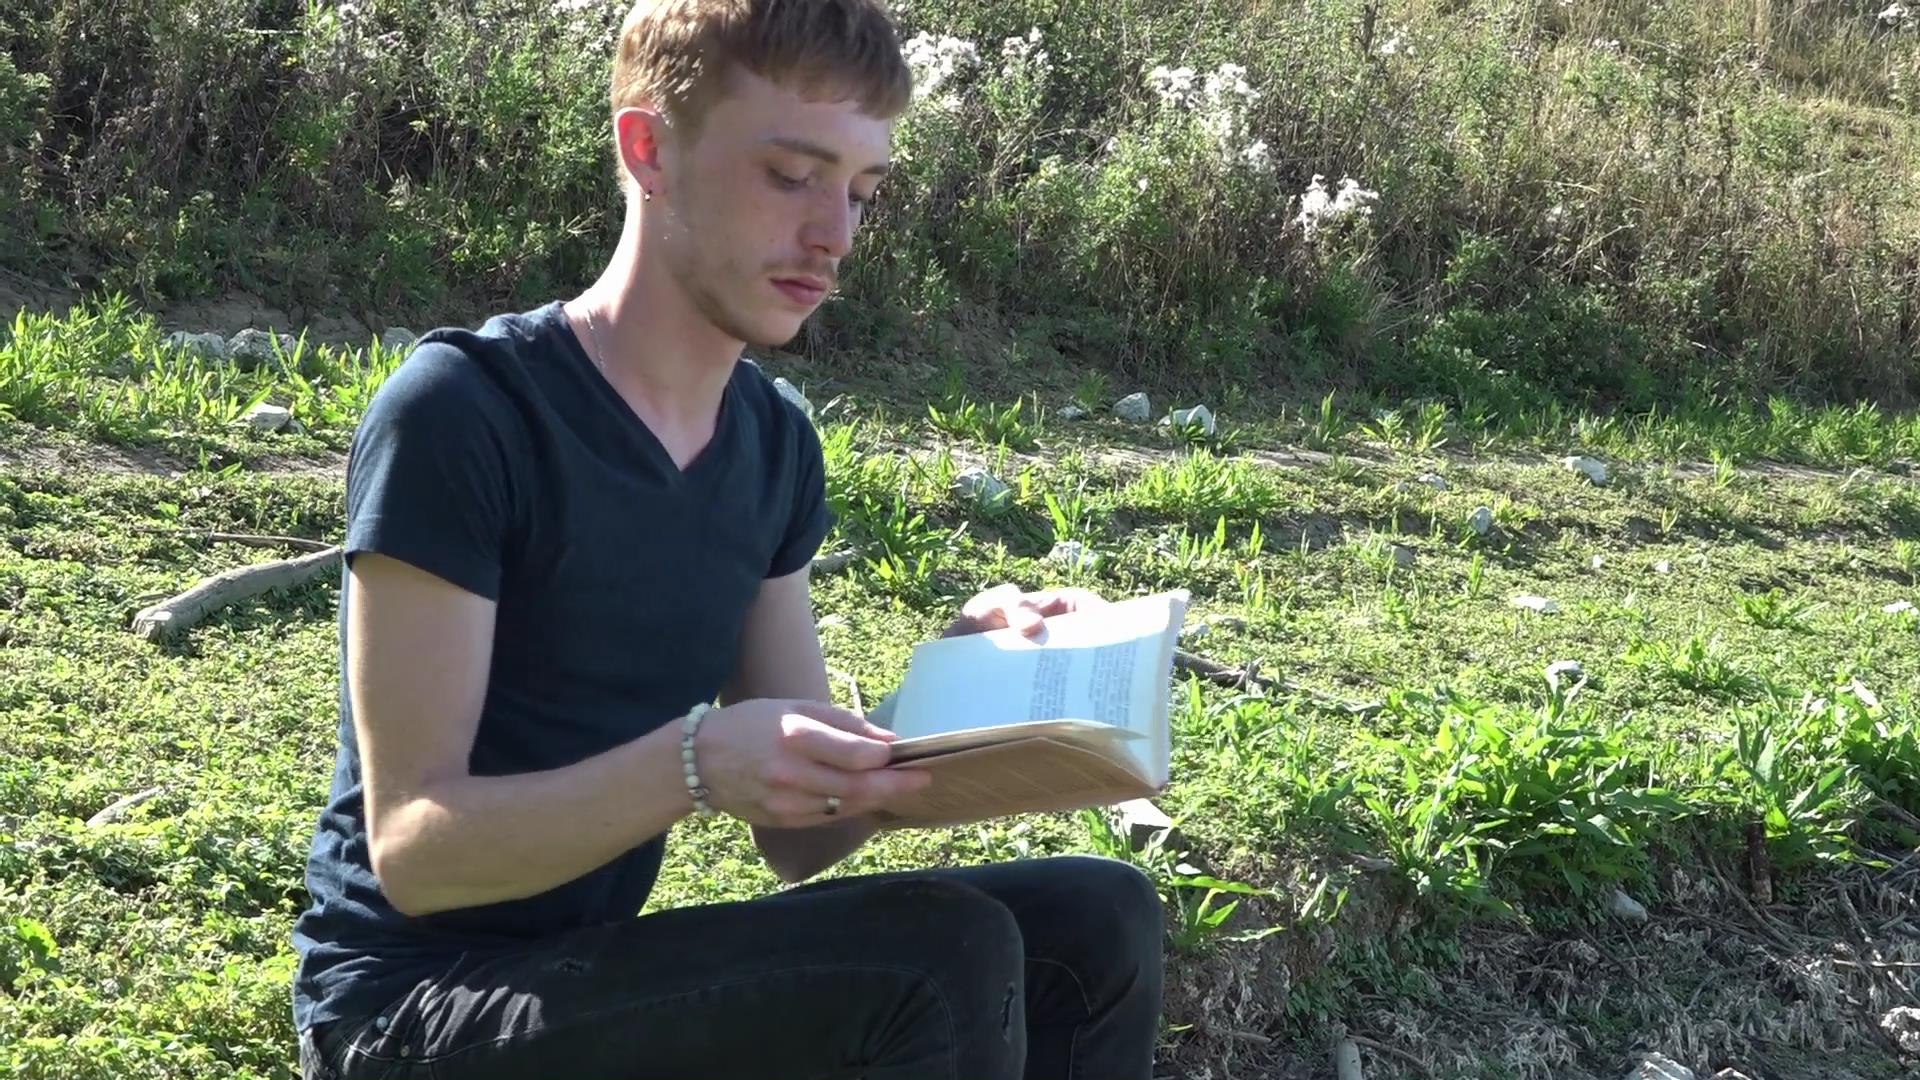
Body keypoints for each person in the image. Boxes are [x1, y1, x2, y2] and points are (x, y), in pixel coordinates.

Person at [288, 1, 1166, 1077]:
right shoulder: (467, 412)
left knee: (1097, 920)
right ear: (649, 150)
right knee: (941, 954)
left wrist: (945, 699)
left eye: (861, 191)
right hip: (409, 1011)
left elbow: (800, 838)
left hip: (592, 972)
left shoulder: (771, 442)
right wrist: (694, 764)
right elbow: (418, 852)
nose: (835, 234)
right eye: (792, 176)